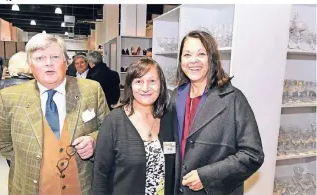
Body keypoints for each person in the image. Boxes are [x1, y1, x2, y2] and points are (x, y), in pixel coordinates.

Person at [0, 33, 110, 195]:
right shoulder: (9, 97)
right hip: (30, 188)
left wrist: (94, 141)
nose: (49, 63)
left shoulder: (91, 90)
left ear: (66, 62)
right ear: (30, 64)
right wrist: (30, 159)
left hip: (82, 187)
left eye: (55, 56)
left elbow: (109, 132)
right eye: (40, 58)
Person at [171, 30, 264, 195]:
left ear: (212, 58)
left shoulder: (233, 99)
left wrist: (207, 177)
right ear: (180, 60)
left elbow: (253, 154)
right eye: (187, 54)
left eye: (201, 54)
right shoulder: (175, 96)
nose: (193, 60)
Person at [92, 58, 175, 195]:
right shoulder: (114, 121)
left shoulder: (169, 119)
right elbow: (100, 176)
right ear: (130, 86)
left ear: (161, 85)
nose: (145, 88)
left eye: (152, 81)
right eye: (139, 81)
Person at [0, 52, 34, 165]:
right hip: (32, 135)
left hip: (9, 135)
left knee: (13, 163)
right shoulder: (38, 85)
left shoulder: (1, 85)